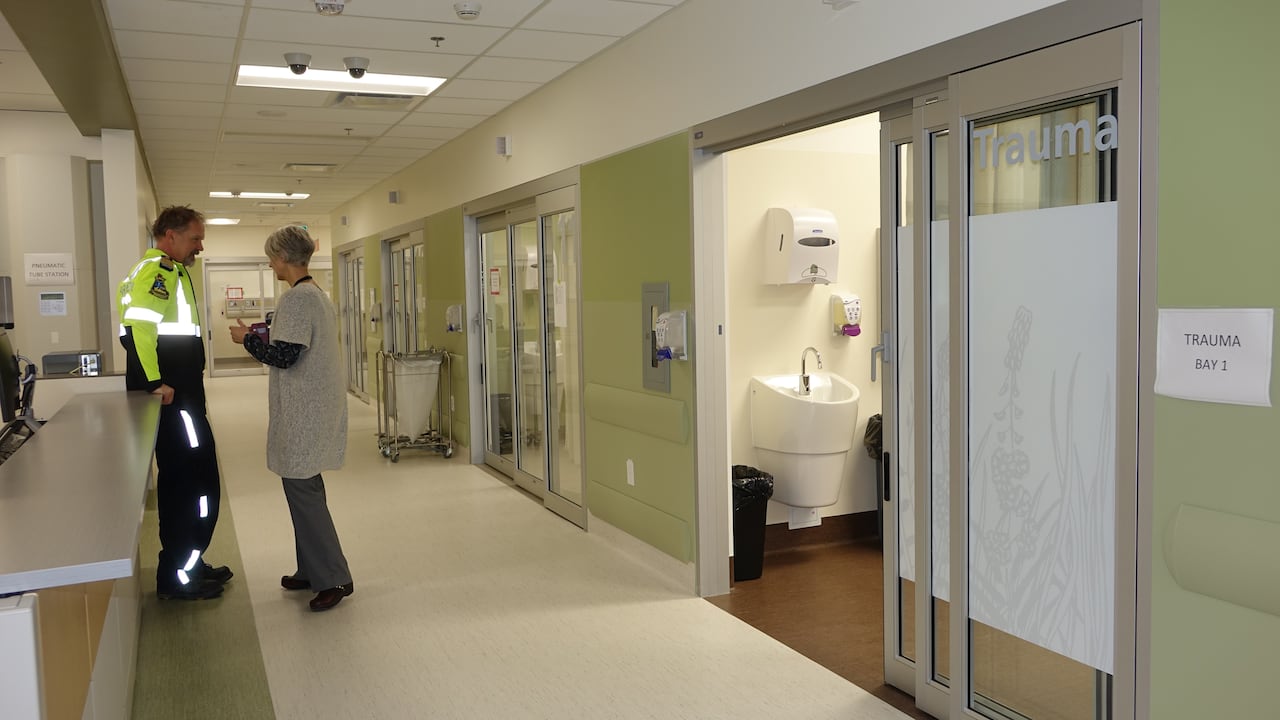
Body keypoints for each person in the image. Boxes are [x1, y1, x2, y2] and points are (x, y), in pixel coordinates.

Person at [230, 225, 353, 612]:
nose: (271, 264)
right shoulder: (316, 294)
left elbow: (285, 356)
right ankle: (311, 568)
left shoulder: (298, 299)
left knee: (304, 493)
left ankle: (334, 577)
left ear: (283, 257)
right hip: (314, 407)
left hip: (305, 412)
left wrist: (247, 340)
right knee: (305, 489)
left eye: (272, 257)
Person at [119, 205, 232, 600]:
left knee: (187, 481)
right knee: (193, 483)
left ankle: (188, 563)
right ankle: (179, 576)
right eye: (195, 238)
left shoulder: (168, 270)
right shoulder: (159, 271)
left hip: (184, 397)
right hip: (176, 400)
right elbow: (138, 328)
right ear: (170, 235)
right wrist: (154, 382)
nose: (200, 246)